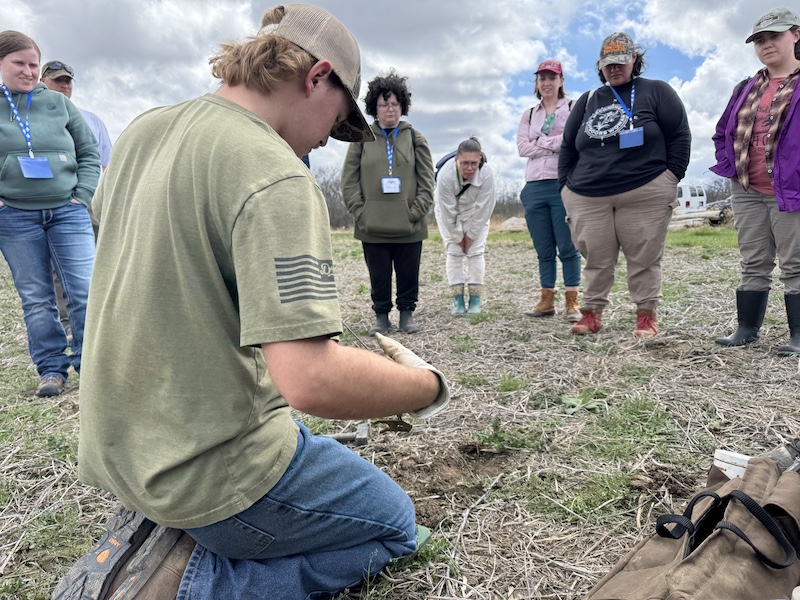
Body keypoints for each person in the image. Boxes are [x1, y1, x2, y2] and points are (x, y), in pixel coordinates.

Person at [76, 5, 449, 599]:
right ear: (317, 76)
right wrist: (427, 388)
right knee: (395, 528)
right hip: (205, 470)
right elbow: (310, 380)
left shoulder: (144, 130)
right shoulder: (273, 172)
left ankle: (162, 537)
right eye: (340, 114)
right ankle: (184, 587)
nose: (331, 135)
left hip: (117, 448)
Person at [559, 32, 691, 337]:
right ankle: (591, 313)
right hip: (588, 194)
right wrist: (565, 189)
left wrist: (671, 176)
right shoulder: (588, 100)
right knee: (595, 257)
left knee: (644, 256)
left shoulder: (657, 91)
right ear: (599, 67)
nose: (614, 69)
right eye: (608, 64)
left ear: (635, 60)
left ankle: (646, 315)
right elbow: (568, 147)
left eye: (621, 62)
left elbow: (679, 136)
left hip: (645, 190)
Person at [0, 30, 100, 397]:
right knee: (36, 297)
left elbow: (88, 152)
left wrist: (82, 195)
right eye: (19, 64)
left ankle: (92, 366)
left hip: (67, 211)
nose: (28, 71)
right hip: (14, 217)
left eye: (33, 64)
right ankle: (51, 369)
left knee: (85, 290)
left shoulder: (59, 105)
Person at [711, 7, 800, 356]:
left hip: (791, 190)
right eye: (759, 40)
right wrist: (729, 166)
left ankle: (798, 336)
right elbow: (723, 132)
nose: (766, 45)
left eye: (774, 36)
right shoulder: (746, 87)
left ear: (796, 35)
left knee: (795, 262)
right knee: (753, 260)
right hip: (747, 189)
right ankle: (747, 329)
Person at [341, 70, 435, 335]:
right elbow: (349, 181)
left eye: (394, 104)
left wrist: (415, 212)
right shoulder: (361, 138)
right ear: (374, 107)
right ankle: (381, 317)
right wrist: (362, 213)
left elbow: (428, 181)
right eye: (384, 104)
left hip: (409, 226)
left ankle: (407, 315)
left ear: (402, 106)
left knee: (408, 274)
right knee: (378, 276)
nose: (389, 109)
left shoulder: (416, 139)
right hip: (373, 227)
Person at [41, 59, 113, 335]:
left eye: (67, 81)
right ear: (42, 82)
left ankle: (101, 318)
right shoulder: (28, 120)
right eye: (57, 79)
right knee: (60, 267)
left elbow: (106, 164)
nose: (64, 85)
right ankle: (70, 322)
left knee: (101, 258)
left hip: (91, 203)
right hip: (55, 202)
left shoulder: (91, 119)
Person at [517, 59, 582, 322]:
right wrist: (555, 143)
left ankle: (572, 301)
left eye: (552, 78)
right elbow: (523, 148)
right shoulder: (529, 114)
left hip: (562, 183)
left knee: (567, 246)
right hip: (534, 186)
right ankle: (546, 299)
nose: (546, 83)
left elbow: (572, 139)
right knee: (543, 248)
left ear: (561, 81)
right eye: (542, 78)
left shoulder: (574, 107)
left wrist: (541, 141)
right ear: (536, 82)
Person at [434, 137, 495, 314]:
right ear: (456, 160)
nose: (469, 168)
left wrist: (471, 236)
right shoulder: (445, 175)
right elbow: (447, 211)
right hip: (449, 212)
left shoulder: (487, 173)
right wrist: (458, 237)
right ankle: (457, 301)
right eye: (465, 163)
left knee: (476, 252)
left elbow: (485, 207)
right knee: (454, 252)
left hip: (475, 211)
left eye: (474, 163)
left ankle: (475, 300)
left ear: (480, 160)